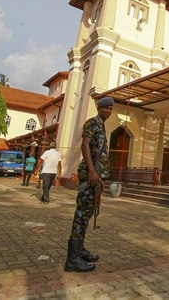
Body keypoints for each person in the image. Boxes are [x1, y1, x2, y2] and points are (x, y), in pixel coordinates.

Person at [64, 96, 114, 272]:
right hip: (90, 175)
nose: (109, 111)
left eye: (111, 108)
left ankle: (80, 249)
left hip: (97, 177)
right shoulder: (92, 123)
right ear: (99, 108)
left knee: (88, 212)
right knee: (82, 213)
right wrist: (92, 171)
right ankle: (73, 259)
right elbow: (85, 146)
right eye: (106, 108)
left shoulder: (101, 125)